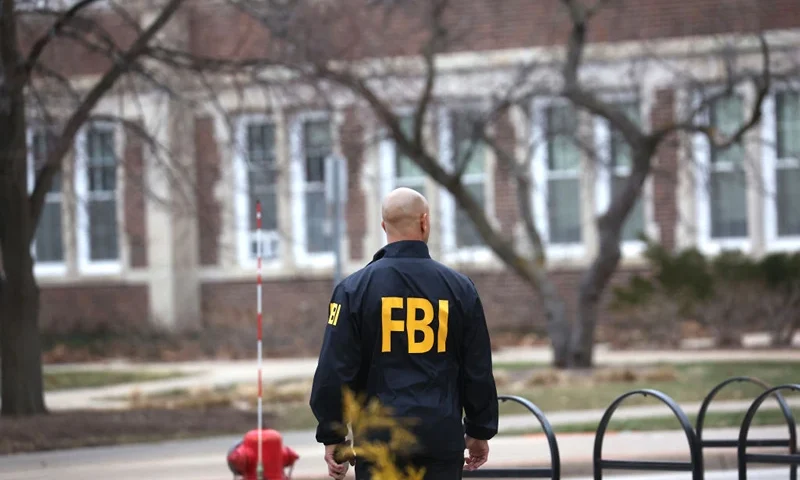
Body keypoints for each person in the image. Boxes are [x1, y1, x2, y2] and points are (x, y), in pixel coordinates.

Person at [309, 187, 498, 480]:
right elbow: (477, 368)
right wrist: (478, 430)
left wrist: (332, 433)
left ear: (384, 227)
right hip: (440, 439)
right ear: (425, 222)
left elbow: (335, 369)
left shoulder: (353, 290)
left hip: (379, 442)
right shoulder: (460, 289)